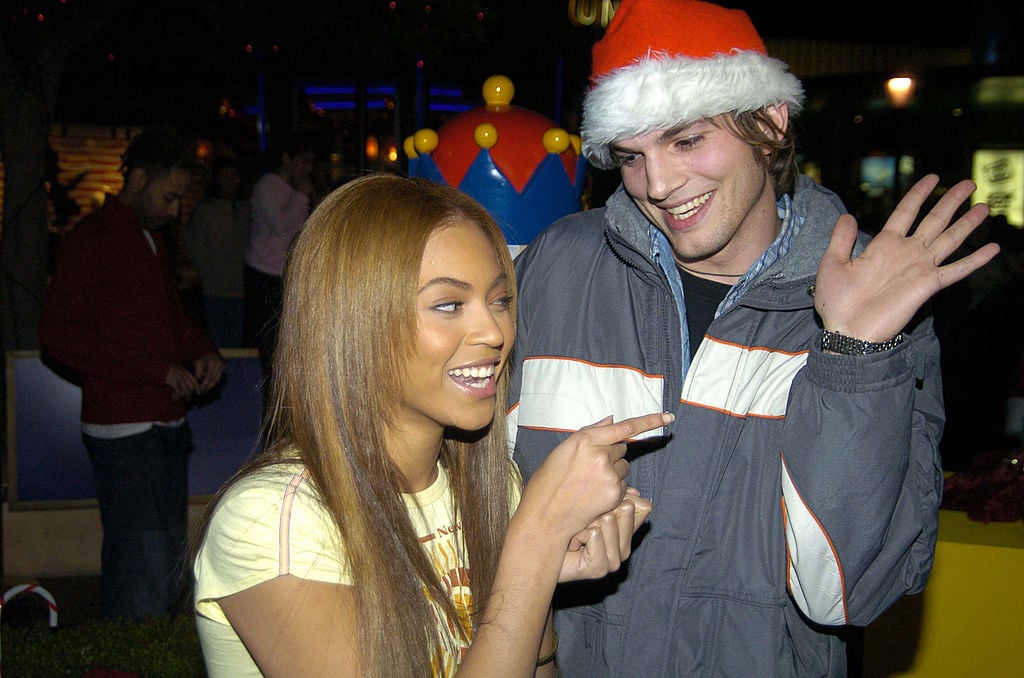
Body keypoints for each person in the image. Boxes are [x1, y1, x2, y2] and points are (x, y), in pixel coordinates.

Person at [507, 1, 1001, 676]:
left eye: (686, 141)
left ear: (769, 123)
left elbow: (849, 595)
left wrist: (857, 355)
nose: (659, 184)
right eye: (631, 156)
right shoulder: (556, 266)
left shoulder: (878, 309)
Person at [191, 174, 672, 677]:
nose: (494, 332)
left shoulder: (492, 487)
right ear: (356, 321)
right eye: (449, 305)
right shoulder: (275, 518)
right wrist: (536, 543)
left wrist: (539, 574)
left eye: (500, 300)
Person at [39, 124, 225, 622]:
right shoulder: (90, 239)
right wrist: (154, 370)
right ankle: (127, 653)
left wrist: (203, 350)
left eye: (179, 201)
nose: (173, 211)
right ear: (138, 179)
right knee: (141, 568)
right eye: (169, 197)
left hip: (164, 423)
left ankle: (140, 650)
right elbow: (57, 336)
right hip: (122, 428)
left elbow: (171, 320)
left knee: (164, 561)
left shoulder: (150, 239)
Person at [243, 133, 317, 381]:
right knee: (271, 349)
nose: (307, 169)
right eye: (303, 162)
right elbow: (279, 226)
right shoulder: (267, 186)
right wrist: (302, 196)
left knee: (287, 349)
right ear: (287, 159)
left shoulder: (293, 191)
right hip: (263, 273)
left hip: (284, 274)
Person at [185, 154, 252, 348]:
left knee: (239, 344)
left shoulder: (248, 208)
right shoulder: (205, 210)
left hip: (242, 289)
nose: (229, 181)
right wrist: (203, 271)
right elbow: (194, 245)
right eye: (224, 176)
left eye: (234, 176)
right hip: (214, 288)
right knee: (218, 343)